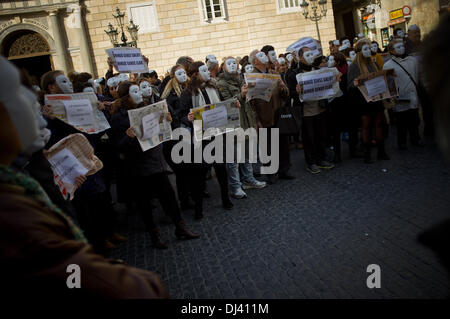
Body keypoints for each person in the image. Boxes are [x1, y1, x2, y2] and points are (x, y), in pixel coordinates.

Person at [0, 56, 168, 299]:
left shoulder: (18, 183)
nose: (30, 100)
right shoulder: (12, 210)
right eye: (19, 91)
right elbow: (72, 272)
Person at [109, 81, 200, 249]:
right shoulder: (119, 117)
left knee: (169, 196)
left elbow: (164, 130)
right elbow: (117, 146)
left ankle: (180, 227)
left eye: (139, 91)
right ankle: (154, 234)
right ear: (125, 96)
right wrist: (128, 137)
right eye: (134, 91)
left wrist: (169, 121)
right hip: (138, 166)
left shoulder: (149, 107)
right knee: (144, 202)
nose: (139, 94)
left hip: (156, 161)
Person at [177, 61, 235, 217]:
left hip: (217, 133)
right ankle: (199, 208)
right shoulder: (187, 93)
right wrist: (187, 118)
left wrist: (234, 104)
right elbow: (181, 115)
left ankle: (225, 198)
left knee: (221, 168)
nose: (208, 72)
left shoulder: (213, 87)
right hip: (201, 138)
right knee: (200, 174)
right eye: (203, 70)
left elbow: (223, 104)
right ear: (195, 74)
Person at [216, 57, 267, 199]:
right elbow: (226, 103)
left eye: (234, 63)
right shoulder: (221, 83)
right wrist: (241, 94)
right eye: (229, 63)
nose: (233, 65)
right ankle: (235, 187)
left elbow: (250, 101)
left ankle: (248, 179)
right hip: (233, 123)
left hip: (247, 120)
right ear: (224, 67)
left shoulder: (243, 78)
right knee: (233, 159)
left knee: (248, 153)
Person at [247, 49, 293, 183]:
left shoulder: (274, 73)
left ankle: (284, 170)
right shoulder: (251, 77)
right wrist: (256, 120)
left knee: (283, 144)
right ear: (255, 61)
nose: (264, 56)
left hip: (278, 113)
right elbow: (251, 102)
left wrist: (282, 87)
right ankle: (270, 173)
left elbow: (285, 93)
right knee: (267, 146)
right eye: (259, 55)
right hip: (263, 116)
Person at [347, 39, 390, 163]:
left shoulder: (373, 63)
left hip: (376, 99)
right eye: (365, 49)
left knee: (378, 123)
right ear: (359, 52)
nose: (369, 51)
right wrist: (356, 83)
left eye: (369, 48)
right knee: (366, 126)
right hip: (363, 101)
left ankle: (381, 151)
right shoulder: (354, 66)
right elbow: (349, 86)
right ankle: (367, 154)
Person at [295, 47, 335, 174]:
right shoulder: (294, 73)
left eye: (311, 54)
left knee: (320, 135)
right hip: (306, 112)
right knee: (309, 138)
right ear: (300, 57)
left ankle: (321, 158)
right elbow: (291, 93)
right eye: (307, 54)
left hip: (320, 108)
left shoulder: (318, 70)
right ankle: (311, 162)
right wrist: (296, 92)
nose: (310, 56)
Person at [160, 64, 194, 210]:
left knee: (191, 165)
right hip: (178, 133)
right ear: (173, 75)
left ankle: (194, 193)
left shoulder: (189, 88)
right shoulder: (170, 93)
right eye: (179, 73)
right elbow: (176, 114)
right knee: (182, 169)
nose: (182, 75)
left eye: (184, 73)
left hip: (190, 129)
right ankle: (185, 199)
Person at [383, 39, 423, 150]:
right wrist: (392, 95)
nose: (401, 48)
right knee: (401, 121)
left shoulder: (413, 60)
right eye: (398, 47)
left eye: (402, 46)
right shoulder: (388, 65)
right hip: (400, 96)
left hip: (412, 93)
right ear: (391, 51)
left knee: (414, 119)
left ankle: (416, 139)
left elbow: (416, 75)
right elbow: (389, 82)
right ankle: (402, 142)